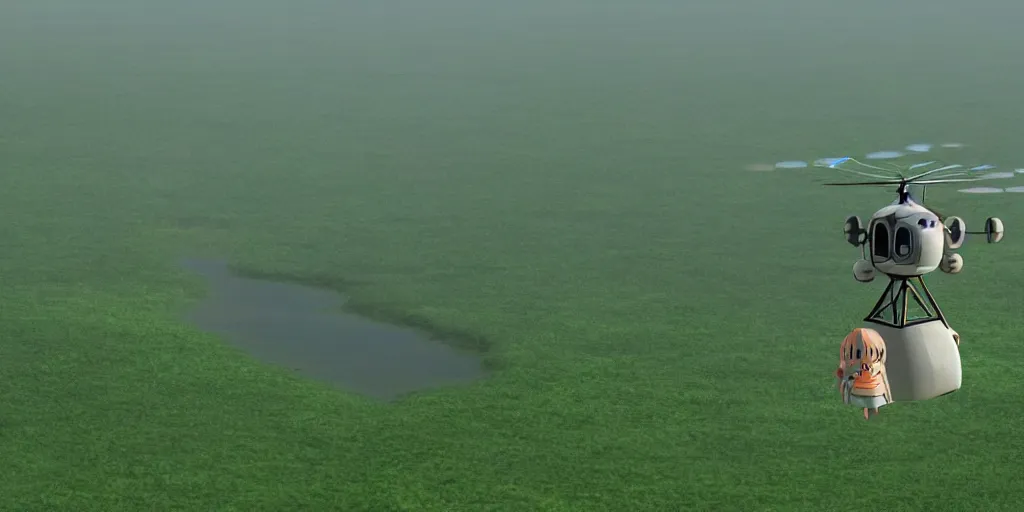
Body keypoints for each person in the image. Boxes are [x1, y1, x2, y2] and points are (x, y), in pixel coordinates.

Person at [835, 327, 893, 420]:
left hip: (871, 392)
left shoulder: (876, 366)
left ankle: (871, 418)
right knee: (870, 408)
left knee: (871, 408)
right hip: (864, 392)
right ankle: (870, 417)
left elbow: (879, 374)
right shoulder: (860, 365)